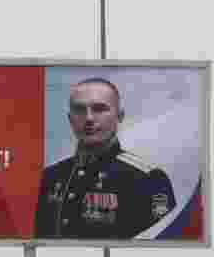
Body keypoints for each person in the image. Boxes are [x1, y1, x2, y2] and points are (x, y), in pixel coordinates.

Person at [33, 77, 177, 239]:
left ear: (120, 116)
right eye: (79, 109)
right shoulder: (50, 177)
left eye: (99, 109)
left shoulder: (149, 179)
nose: (88, 118)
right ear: (70, 119)